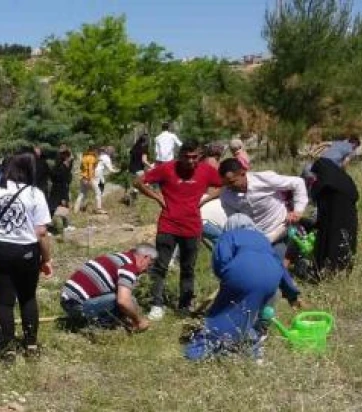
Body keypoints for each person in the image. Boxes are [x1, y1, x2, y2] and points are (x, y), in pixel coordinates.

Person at [184, 215, 302, 362]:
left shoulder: (228, 235)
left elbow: (221, 260)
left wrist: (227, 278)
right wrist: (292, 295)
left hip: (242, 273)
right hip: (271, 278)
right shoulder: (262, 239)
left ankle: (200, 350)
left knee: (223, 313)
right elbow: (278, 265)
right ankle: (252, 350)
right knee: (250, 314)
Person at [133, 140, 223, 320]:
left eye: (194, 157)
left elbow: (223, 185)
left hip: (192, 227)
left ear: (200, 156)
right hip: (168, 225)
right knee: (160, 266)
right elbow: (138, 182)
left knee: (188, 268)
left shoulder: (206, 170)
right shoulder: (167, 168)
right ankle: (156, 304)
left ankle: (184, 304)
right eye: (186, 157)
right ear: (180, 155)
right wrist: (157, 197)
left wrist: (205, 200)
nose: (190, 161)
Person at [0, 153, 53, 356]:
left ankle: (8, 347)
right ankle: (31, 344)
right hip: (26, 250)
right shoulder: (35, 193)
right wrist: (46, 259)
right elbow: (42, 232)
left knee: (4, 300)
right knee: (27, 297)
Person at [218, 158, 308, 259]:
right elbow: (236, 221)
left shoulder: (263, 179)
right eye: (225, 184)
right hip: (261, 240)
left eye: (231, 182)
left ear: (242, 173)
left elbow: (298, 183)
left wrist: (298, 211)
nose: (229, 187)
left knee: (282, 265)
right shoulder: (226, 197)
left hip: (284, 228)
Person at [61, 246, 156, 330]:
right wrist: (138, 321)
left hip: (69, 301)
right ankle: (94, 326)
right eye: (149, 265)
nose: (146, 270)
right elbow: (123, 301)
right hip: (78, 306)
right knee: (128, 301)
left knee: (130, 302)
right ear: (145, 257)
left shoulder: (118, 257)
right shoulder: (129, 266)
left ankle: (109, 323)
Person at [307, 157, 359, 278]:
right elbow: (356, 195)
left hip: (331, 221)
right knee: (345, 242)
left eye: (317, 173)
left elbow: (316, 197)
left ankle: (324, 274)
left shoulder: (325, 183)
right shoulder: (345, 179)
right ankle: (343, 272)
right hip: (349, 219)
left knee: (329, 243)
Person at [48, 147, 74, 233]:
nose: (70, 159)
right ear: (66, 158)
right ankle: (53, 228)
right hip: (61, 190)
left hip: (56, 189)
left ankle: (65, 225)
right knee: (57, 208)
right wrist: (63, 197)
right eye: (69, 157)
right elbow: (63, 181)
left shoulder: (58, 166)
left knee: (57, 207)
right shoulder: (62, 168)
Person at [73, 147, 100, 214]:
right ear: (94, 150)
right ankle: (99, 208)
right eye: (96, 151)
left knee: (81, 194)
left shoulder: (84, 157)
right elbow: (90, 169)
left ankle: (75, 209)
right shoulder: (92, 158)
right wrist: (90, 179)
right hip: (89, 178)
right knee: (98, 192)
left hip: (83, 178)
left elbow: (81, 168)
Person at [126, 134, 151, 205]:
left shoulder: (135, 147)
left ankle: (131, 200)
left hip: (131, 168)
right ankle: (131, 199)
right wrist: (151, 167)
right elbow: (144, 160)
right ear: (146, 141)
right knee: (141, 185)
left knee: (135, 185)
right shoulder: (144, 149)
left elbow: (131, 157)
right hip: (139, 169)